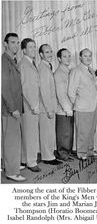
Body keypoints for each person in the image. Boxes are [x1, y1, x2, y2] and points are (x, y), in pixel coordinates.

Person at [1, 33, 26, 181]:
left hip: (12, 107)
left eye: (17, 42)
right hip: (9, 109)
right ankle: (11, 172)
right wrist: (12, 108)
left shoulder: (11, 60)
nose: (16, 45)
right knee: (12, 140)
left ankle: (10, 164)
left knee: (11, 138)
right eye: (12, 42)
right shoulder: (4, 61)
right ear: (5, 44)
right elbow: (4, 87)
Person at [68, 48, 97, 160]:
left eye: (90, 56)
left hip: (93, 105)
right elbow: (71, 91)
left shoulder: (91, 70)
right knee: (83, 131)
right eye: (85, 56)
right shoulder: (76, 70)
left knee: (91, 130)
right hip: (83, 107)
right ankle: (81, 153)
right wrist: (78, 103)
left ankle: (90, 150)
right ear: (80, 57)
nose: (88, 58)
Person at [18, 38, 41, 172]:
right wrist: (33, 105)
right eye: (30, 47)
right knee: (31, 134)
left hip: (30, 104)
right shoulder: (24, 65)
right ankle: (31, 162)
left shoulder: (30, 63)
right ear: (24, 50)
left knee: (28, 133)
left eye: (34, 47)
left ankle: (25, 159)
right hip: (29, 105)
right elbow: (26, 87)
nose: (33, 50)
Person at [38, 44, 62, 165]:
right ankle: (48, 157)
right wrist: (49, 109)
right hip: (46, 108)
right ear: (41, 55)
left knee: (49, 132)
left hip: (50, 106)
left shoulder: (47, 66)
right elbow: (44, 91)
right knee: (47, 133)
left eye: (51, 52)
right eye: (47, 52)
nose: (50, 54)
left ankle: (49, 155)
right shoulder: (43, 68)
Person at [54, 48, 74, 162]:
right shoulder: (59, 73)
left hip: (69, 108)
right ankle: (62, 153)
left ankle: (67, 152)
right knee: (64, 133)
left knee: (69, 132)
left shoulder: (67, 70)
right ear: (59, 59)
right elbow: (61, 93)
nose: (68, 58)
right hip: (63, 109)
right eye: (65, 56)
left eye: (69, 56)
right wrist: (67, 108)